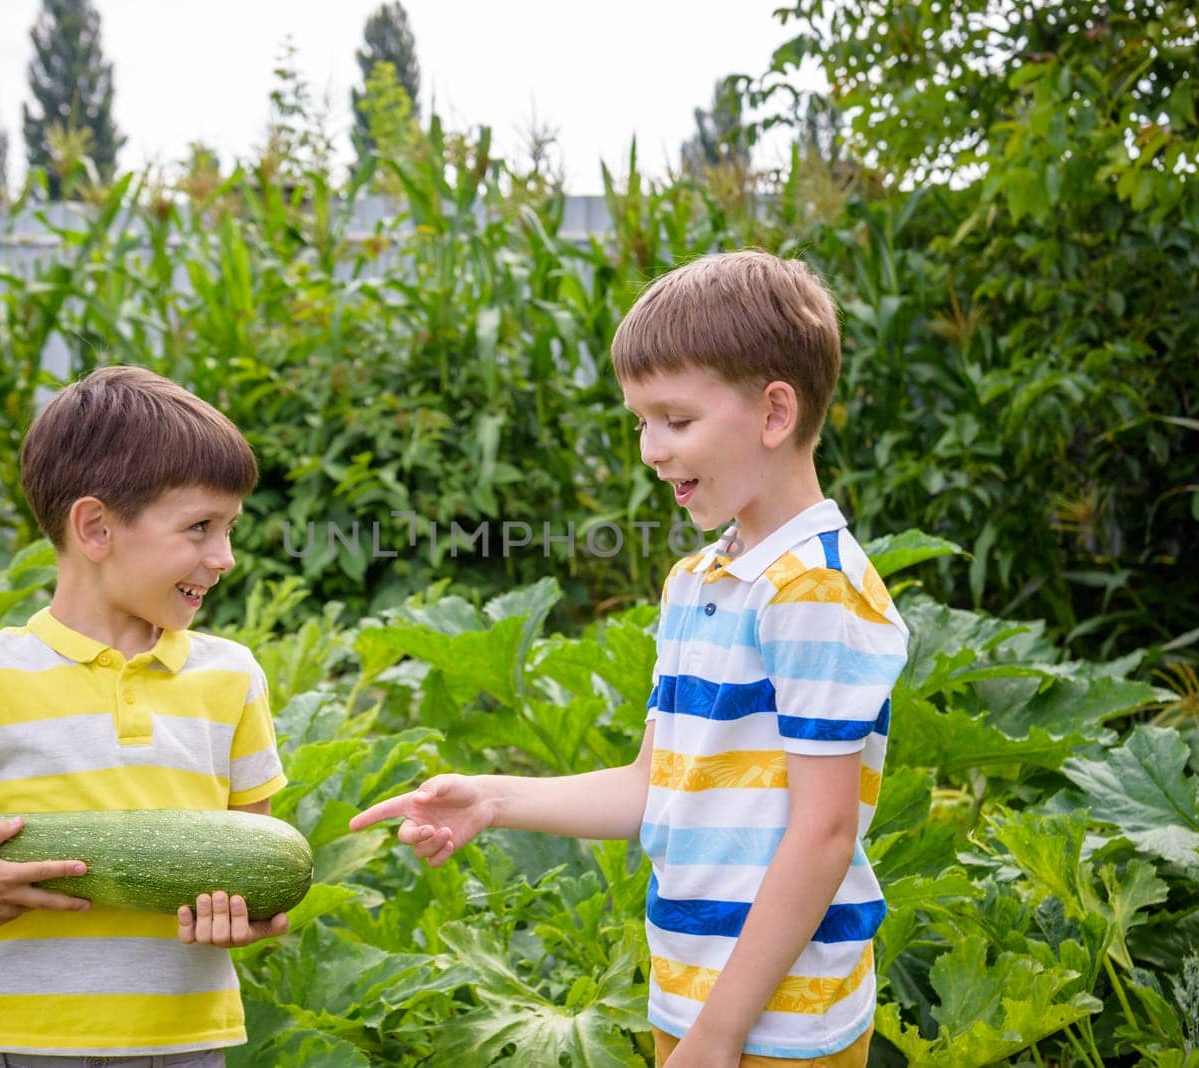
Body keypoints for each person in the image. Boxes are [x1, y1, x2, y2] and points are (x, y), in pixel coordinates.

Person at [350, 251, 908, 1067]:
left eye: (675, 421)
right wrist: (493, 801)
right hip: (691, 997)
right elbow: (651, 786)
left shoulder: (813, 590)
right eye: (639, 422)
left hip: (781, 1022)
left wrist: (720, 1035)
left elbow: (823, 836)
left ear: (775, 413)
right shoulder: (699, 582)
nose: (650, 449)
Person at [0, 365, 289, 1067]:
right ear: (95, 527)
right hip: (16, 1045)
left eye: (230, 528)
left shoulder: (231, 677)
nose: (224, 557)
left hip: (185, 1045)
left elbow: (262, 858)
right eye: (200, 527)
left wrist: (248, 917)